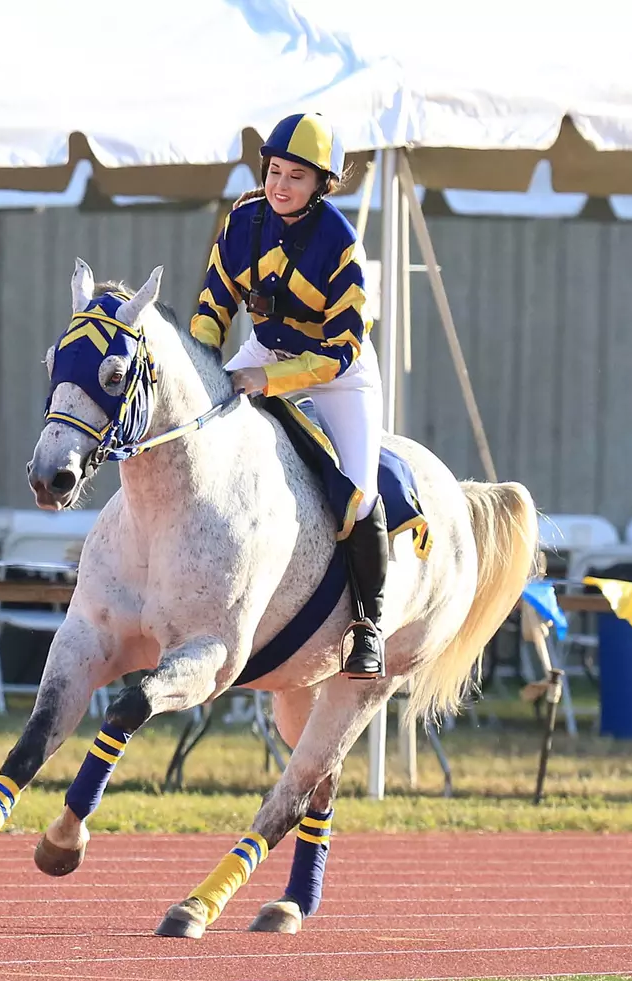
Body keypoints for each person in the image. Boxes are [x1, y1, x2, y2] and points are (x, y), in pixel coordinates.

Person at [190, 112, 388, 678]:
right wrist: (206, 365)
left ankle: (367, 625)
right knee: (200, 424)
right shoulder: (244, 219)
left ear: (322, 184)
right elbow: (213, 305)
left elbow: (342, 349)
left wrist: (267, 382)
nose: (280, 185)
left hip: (336, 371)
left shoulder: (342, 245)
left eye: (296, 177)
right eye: (275, 171)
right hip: (266, 351)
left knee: (359, 492)